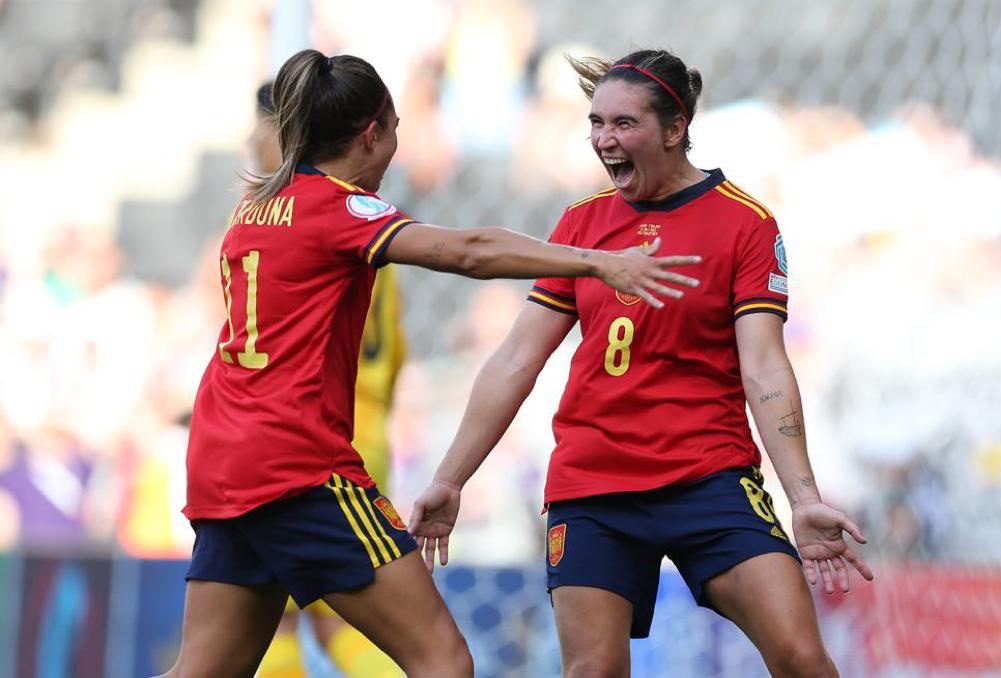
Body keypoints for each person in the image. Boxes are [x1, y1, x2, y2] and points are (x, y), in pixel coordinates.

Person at [160, 49, 700, 678]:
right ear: (372, 135)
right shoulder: (339, 208)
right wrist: (596, 261)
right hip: (297, 469)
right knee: (443, 660)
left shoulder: (253, 210)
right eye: (395, 131)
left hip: (221, 461)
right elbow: (467, 251)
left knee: (203, 671)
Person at [409, 49, 875, 678]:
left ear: (675, 128)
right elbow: (517, 357)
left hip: (708, 478)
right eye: (596, 123)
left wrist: (803, 497)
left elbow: (764, 366)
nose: (604, 139)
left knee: (800, 657)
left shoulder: (745, 223)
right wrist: (450, 478)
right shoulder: (582, 222)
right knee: (593, 671)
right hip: (594, 486)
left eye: (624, 123)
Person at [248, 83, 407, 678]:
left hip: (310, 442)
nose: (252, 141)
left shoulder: (293, 221)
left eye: (262, 127)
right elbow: (396, 352)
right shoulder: (369, 220)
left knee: (282, 621)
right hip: (366, 432)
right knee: (332, 622)